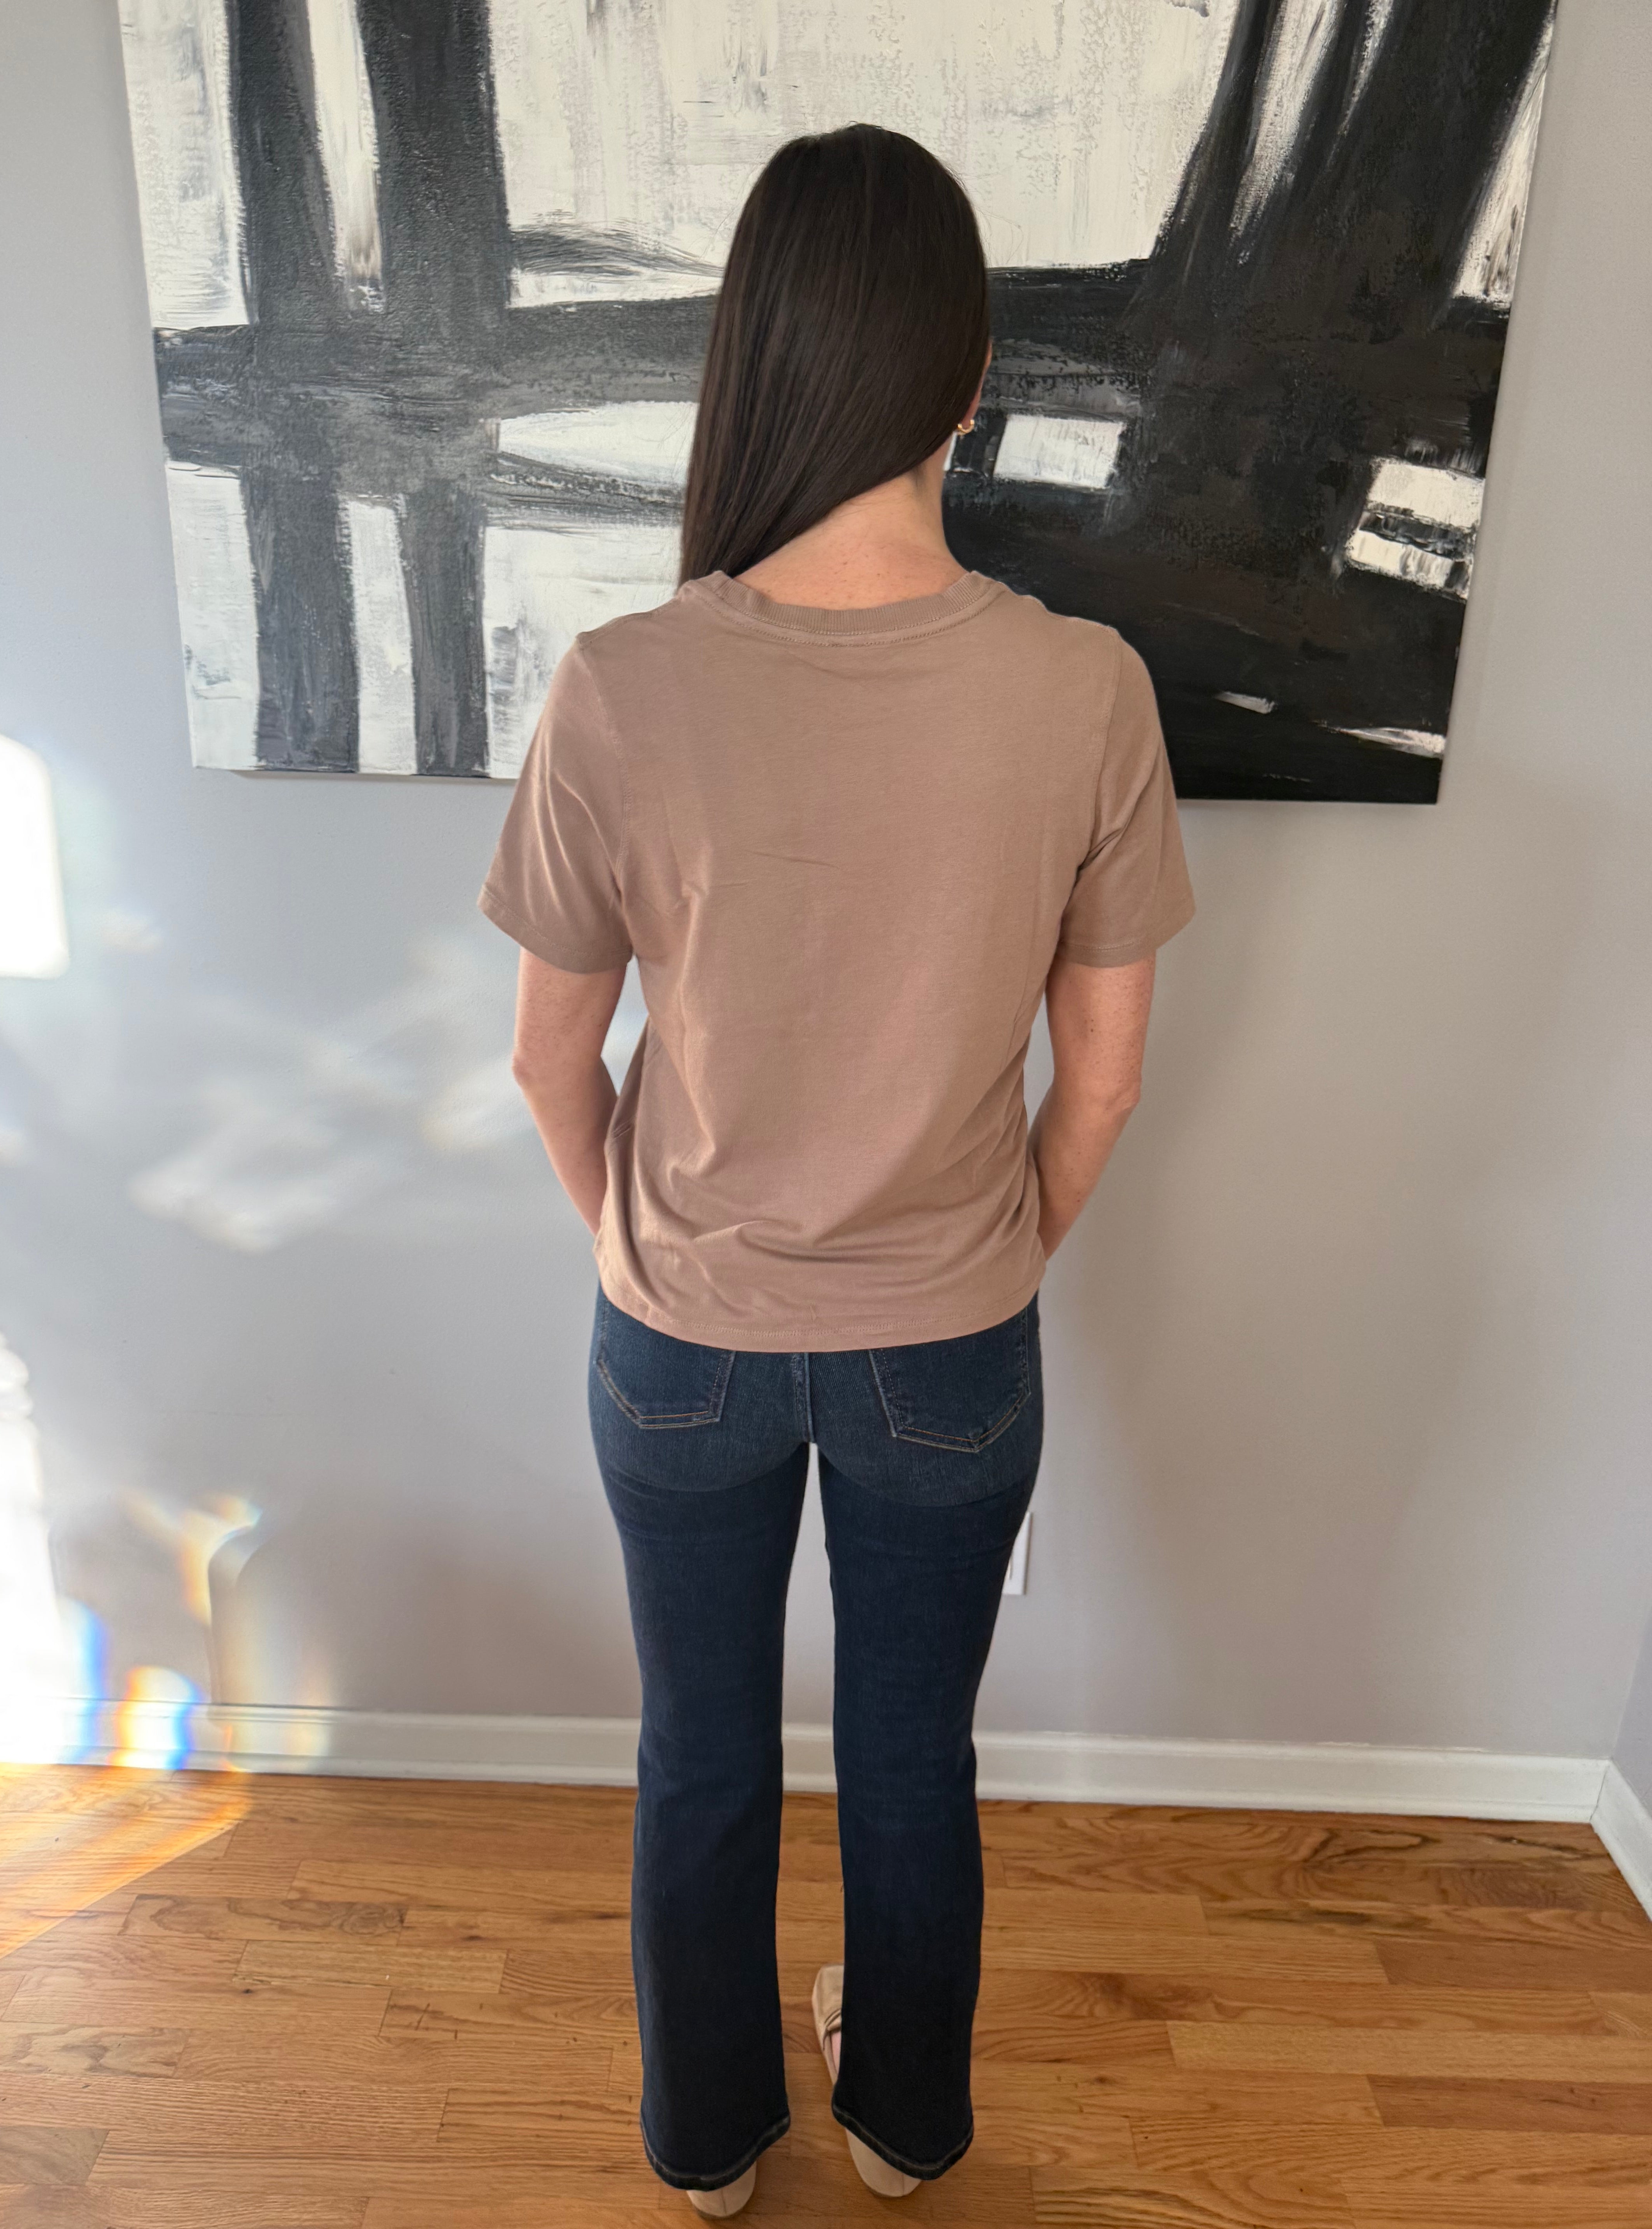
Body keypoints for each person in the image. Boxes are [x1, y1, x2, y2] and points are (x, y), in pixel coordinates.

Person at [479, 122, 1194, 2218]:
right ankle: (903, 2130)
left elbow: (546, 1062)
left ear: (758, 359)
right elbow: (1104, 1087)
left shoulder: (624, 685)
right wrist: (988, 1258)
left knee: (697, 1755)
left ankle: (709, 2149)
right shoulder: (1085, 692)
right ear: (969, 382)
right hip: (949, 1344)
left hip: (679, 1345)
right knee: (911, 1760)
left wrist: (646, 1255)